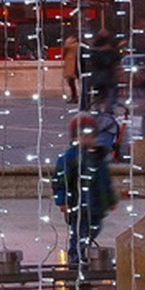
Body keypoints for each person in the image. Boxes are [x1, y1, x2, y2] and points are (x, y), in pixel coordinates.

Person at [52, 114, 117, 269]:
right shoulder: (70, 158)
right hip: (78, 205)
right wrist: (62, 200)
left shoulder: (98, 157)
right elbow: (60, 181)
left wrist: (109, 200)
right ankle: (76, 259)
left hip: (95, 205)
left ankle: (83, 253)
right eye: (83, 135)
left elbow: (104, 180)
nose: (87, 139)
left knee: (93, 229)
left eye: (91, 136)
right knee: (79, 233)